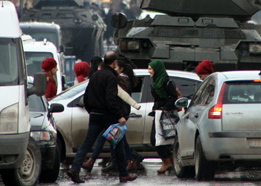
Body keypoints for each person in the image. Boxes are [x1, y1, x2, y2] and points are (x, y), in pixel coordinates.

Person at [66, 51, 137, 183]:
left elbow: (86, 97)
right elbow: (111, 100)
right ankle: (123, 174)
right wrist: (119, 116)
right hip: (108, 116)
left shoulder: (95, 75)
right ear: (114, 62)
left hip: (95, 115)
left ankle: (75, 168)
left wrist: (90, 111)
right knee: (118, 143)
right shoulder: (110, 77)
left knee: (87, 143)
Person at [81, 58, 141, 174]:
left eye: (116, 68)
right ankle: (128, 161)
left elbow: (118, 97)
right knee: (115, 137)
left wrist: (119, 114)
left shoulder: (119, 79)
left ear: (120, 69)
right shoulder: (117, 78)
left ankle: (127, 161)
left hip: (118, 112)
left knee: (111, 137)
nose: (114, 69)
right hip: (116, 112)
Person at [148, 59, 178, 174]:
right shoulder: (154, 82)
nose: (149, 71)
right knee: (155, 139)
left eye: (151, 68)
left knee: (161, 139)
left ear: (157, 69)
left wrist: (166, 108)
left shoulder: (167, 82)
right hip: (157, 113)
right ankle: (169, 161)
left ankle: (167, 162)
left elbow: (173, 97)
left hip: (165, 113)